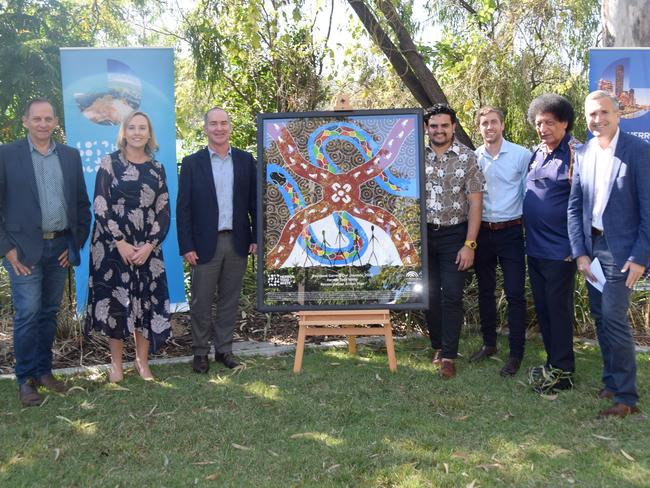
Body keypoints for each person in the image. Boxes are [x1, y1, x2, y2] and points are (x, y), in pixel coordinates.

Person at [0, 98, 91, 406]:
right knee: (27, 314)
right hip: (23, 251)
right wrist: (7, 250)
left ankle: (44, 372)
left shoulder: (69, 156)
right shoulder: (6, 155)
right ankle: (25, 379)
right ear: (25, 121)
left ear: (55, 122)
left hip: (60, 247)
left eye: (48, 118)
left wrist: (74, 244)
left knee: (49, 313)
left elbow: (81, 205)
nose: (42, 124)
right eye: (36, 118)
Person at [568, 90, 649, 418]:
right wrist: (580, 253)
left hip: (623, 251)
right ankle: (611, 381)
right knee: (601, 317)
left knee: (614, 318)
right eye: (591, 115)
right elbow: (575, 207)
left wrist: (640, 257)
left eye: (603, 113)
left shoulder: (639, 151)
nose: (597, 120)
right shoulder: (584, 153)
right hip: (593, 249)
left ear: (618, 114)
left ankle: (627, 398)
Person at [85, 111, 171, 383]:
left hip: (147, 245)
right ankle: (117, 365)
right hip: (112, 245)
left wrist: (149, 245)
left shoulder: (157, 169)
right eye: (131, 127)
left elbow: (163, 209)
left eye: (142, 128)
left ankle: (142, 362)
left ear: (149, 133)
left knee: (145, 302)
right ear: (124, 132)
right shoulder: (109, 163)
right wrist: (119, 242)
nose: (136, 132)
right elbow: (100, 204)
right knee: (116, 303)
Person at [177, 107, 257, 373]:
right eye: (213, 124)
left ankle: (224, 350)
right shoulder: (191, 163)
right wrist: (186, 245)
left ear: (230, 126)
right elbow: (183, 208)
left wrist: (255, 236)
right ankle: (200, 352)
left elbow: (254, 204)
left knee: (229, 300)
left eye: (223, 123)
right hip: (202, 245)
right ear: (206, 128)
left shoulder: (246, 161)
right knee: (201, 300)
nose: (219, 128)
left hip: (237, 242)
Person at [423, 103, 484, 379]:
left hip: (454, 236)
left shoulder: (467, 158)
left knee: (453, 295)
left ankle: (449, 355)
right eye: (434, 126)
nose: (439, 130)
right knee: (429, 295)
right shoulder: (414, 155)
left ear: (453, 127)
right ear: (426, 128)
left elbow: (475, 204)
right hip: (423, 235)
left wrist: (469, 244)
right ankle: (437, 345)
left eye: (444, 125)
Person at [523, 94, 579, 392]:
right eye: (538, 123)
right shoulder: (537, 153)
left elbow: (586, 203)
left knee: (558, 311)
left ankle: (564, 373)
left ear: (564, 122)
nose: (543, 128)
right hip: (535, 248)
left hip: (562, 252)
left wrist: (577, 247)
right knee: (544, 310)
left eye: (549, 122)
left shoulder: (576, 153)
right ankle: (552, 363)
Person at [471, 106, 532, 376]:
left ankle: (516, 353)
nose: (489, 127)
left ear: (503, 125)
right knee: (485, 292)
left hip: (511, 232)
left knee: (515, 294)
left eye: (493, 122)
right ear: (479, 128)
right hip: (483, 233)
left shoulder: (521, 155)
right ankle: (489, 344)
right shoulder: (473, 158)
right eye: (484, 123)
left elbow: (531, 194)